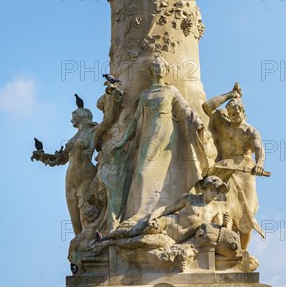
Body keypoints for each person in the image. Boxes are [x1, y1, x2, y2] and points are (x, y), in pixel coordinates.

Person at [115, 56, 209, 224]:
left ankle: (161, 210)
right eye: (155, 67)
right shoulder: (145, 94)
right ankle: (139, 212)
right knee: (142, 172)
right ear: (151, 71)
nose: (158, 69)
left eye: (161, 66)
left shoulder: (171, 90)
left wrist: (195, 120)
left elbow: (184, 107)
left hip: (166, 135)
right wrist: (123, 141)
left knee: (164, 171)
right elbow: (136, 119)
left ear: (165, 70)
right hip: (147, 134)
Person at [202, 83, 265, 248]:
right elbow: (207, 106)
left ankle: (243, 252)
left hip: (245, 173)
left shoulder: (250, 131)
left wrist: (259, 164)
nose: (234, 115)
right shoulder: (223, 124)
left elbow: (259, 149)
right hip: (225, 171)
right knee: (225, 212)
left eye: (237, 112)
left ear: (243, 112)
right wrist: (229, 94)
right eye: (231, 113)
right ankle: (226, 246)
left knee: (247, 214)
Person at [94, 176, 230, 248]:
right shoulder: (189, 198)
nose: (216, 194)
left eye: (218, 191)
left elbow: (217, 231)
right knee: (132, 232)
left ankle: (109, 243)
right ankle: (105, 238)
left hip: (176, 238)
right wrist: (152, 218)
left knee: (138, 242)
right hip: (166, 223)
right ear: (205, 188)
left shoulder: (217, 209)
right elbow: (167, 208)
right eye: (213, 189)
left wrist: (224, 225)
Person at [54, 107, 98, 235]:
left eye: (74, 116)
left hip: (86, 175)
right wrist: (46, 156)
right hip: (70, 178)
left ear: (83, 117)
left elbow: (110, 120)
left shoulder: (94, 131)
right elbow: (62, 160)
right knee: (73, 214)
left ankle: (89, 238)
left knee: (86, 211)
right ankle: (78, 240)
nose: (71, 119)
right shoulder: (74, 137)